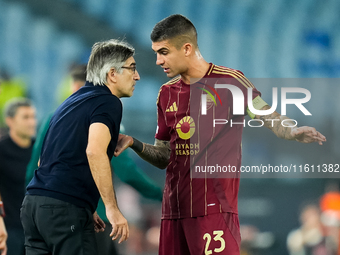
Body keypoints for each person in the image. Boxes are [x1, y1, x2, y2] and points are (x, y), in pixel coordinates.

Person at [115, 14, 326, 255]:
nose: (157, 60)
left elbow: (267, 115)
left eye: (163, 52)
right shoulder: (166, 93)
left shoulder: (230, 82)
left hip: (213, 211)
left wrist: (291, 130)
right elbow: (164, 156)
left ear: (186, 48)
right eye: (156, 53)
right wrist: (135, 144)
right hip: (173, 212)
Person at [25, 64, 162, 255]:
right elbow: (127, 172)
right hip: (89, 216)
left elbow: (36, 166)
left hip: (41, 208)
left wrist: (30, 205)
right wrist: (162, 195)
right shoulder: (104, 117)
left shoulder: (53, 117)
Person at [0, 98, 36, 255]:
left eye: (33, 117)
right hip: (11, 228)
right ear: (10, 121)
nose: (32, 122)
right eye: (25, 117)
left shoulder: (41, 149)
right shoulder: (2, 150)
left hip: (38, 228)